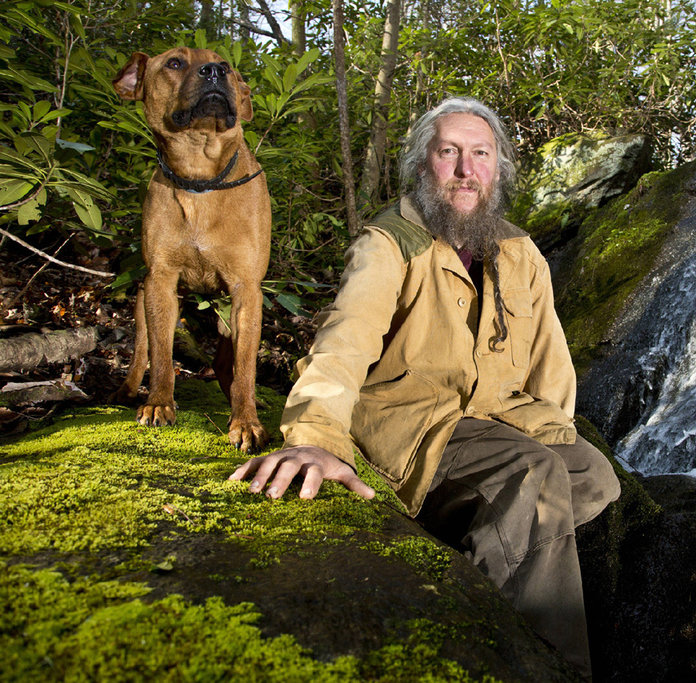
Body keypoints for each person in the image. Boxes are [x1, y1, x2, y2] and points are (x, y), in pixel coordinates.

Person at [229, 97, 620, 675]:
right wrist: (316, 435)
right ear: (422, 166)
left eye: (480, 155)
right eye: (449, 153)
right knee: (531, 477)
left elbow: (550, 361)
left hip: (495, 417)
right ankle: (528, 661)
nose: (466, 170)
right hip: (414, 420)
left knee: (591, 474)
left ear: (498, 168)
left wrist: (555, 432)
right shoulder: (389, 244)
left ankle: (485, 539)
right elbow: (345, 342)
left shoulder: (519, 250)